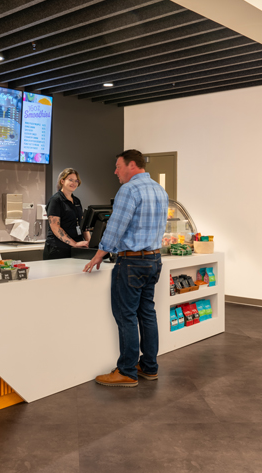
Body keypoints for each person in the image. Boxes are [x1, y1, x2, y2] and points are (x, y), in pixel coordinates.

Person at [83, 149, 168, 387]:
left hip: (131, 262)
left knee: (126, 316)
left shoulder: (129, 190)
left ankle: (127, 371)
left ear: (132, 165)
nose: (115, 172)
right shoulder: (159, 189)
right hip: (153, 260)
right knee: (147, 314)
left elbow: (115, 228)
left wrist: (99, 255)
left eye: (118, 167)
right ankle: (149, 367)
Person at [43, 168, 90, 260]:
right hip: (58, 249)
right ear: (62, 181)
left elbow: (82, 224)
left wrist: (90, 243)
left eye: (76, 180)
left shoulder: (76, 200)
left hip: (75, 249)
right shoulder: (55, 200)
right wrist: (75, 243)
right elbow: (55, 227)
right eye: (70, 180)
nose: (74, 183)